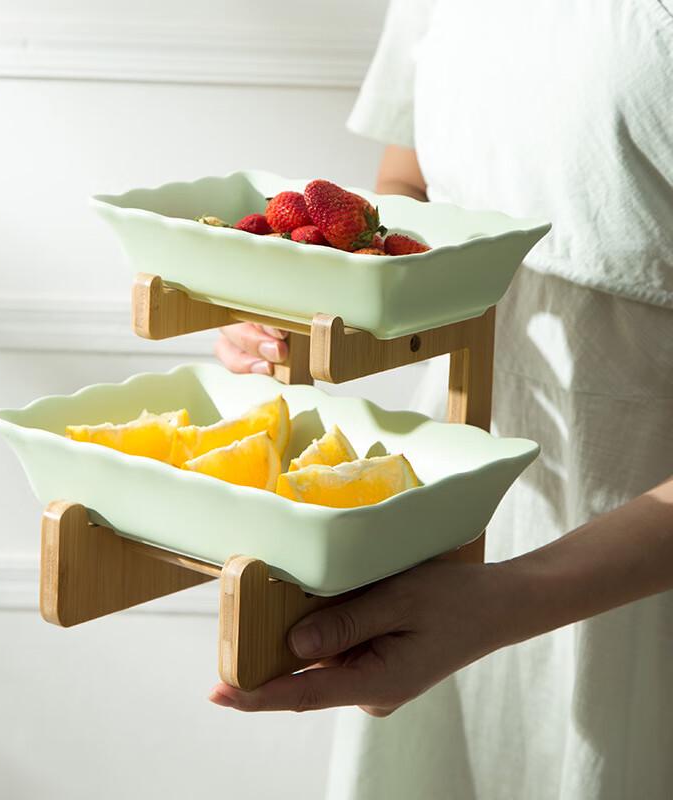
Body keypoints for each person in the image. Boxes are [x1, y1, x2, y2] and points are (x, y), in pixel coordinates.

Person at [208, 2, 673, 798]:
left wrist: (503, 604)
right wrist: (317, 289)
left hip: (638, 549)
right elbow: (412, 185)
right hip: (461, 494)